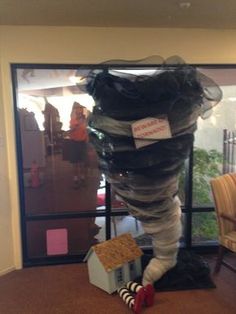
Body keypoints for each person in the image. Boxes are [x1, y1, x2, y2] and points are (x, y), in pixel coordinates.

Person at [69, 101, 88, 188]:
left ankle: (83, 179)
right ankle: (76, 179)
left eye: (80, 108)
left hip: (83, 143)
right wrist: (77, 124)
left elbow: (86, 131)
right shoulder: (73, 119)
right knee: (75, 163)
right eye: (77, 108)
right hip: (74, 143)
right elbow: (71, 129)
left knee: (83, 163)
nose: (79, 110)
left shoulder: (85, 119)